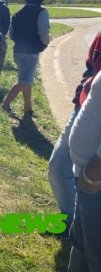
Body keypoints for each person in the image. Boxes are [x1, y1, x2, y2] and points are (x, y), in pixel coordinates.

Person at [47, 31, 101, 241]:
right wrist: (83, 88)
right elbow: (91, 67)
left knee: (93, 180)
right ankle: (71, 221)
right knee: (59, 166)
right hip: (86, 107)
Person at [68, 71, 101, 272]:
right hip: (88, 179)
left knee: (96, 258)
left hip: (95, 182)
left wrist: (93, 174)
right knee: (81, 248)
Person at [1, 0, 50, 115]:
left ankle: (28, 107)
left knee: (26, 80)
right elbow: (44, 32)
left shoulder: (17, 13)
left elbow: (11, 34)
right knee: (24, 81)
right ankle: (5, 104)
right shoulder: (42, 12)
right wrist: (45, 44)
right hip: (32, 52)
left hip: (18, 51)